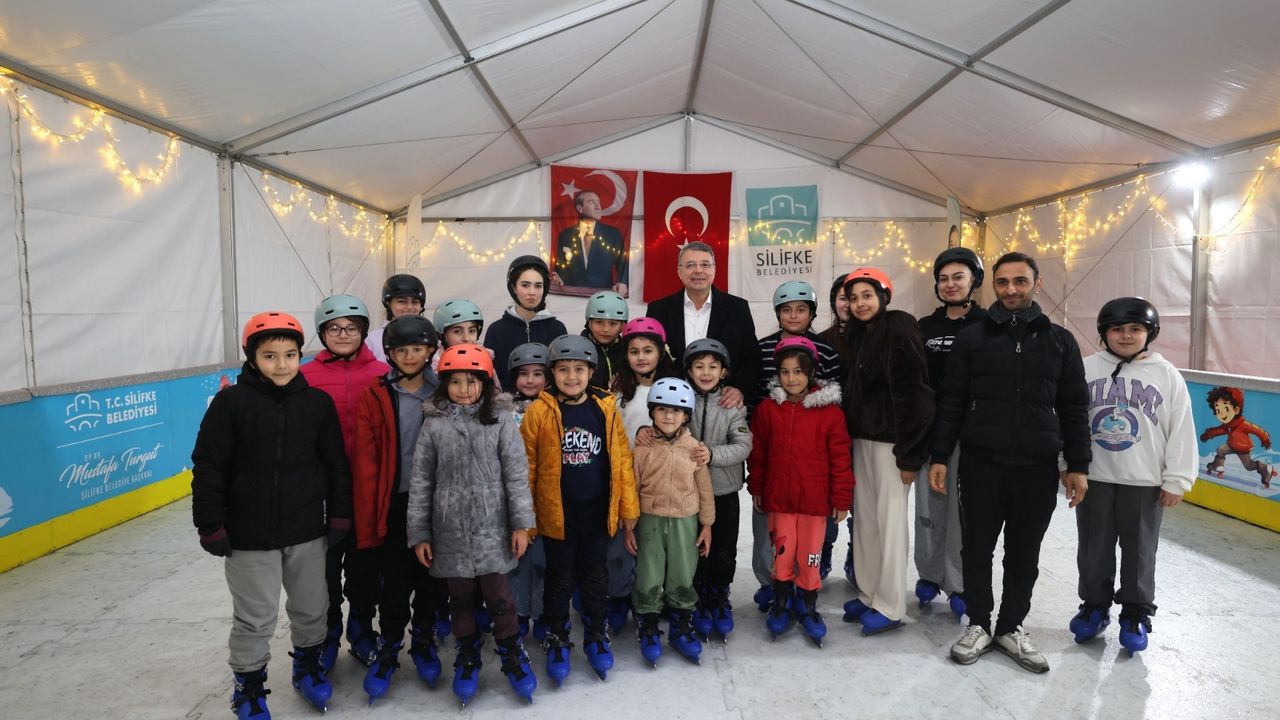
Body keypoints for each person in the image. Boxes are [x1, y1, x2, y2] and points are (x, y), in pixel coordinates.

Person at [929, 251, 1091, 674]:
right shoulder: (972, 339)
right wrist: (940, 455)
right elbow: (952, 401)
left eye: (1020, 281)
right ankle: (979, 623)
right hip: (981, 464)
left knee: (1024, 553)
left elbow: (1075, 407)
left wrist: (1077, 464)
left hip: (1037, 468)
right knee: (976, 549)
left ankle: (1010, 626)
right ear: (993, 286)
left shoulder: (1060, 341)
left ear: (1037, 284)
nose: (1011, 289)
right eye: (1002, 282)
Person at [191, 312, 352, 719]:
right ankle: (248, 686)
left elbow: (335, 464)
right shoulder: (231, 404)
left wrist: (339, 515)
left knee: (313, 607)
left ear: (300, 356)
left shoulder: (316, 404)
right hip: (248, 534)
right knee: (255, 617)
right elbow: (209, 466)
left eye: (290, 355)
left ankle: (307, 667)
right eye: (270, 356)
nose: (281, 365)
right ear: (252, 358)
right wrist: (210, 524)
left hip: (305, 529)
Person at [406, 344, 538, 706]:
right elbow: (421, 482)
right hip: (449, 529)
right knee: (460, 597)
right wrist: (420, 533)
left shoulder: (500, 420)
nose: (464, 389)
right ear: (443, 384)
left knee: (499, 596)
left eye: (472, 381)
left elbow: (516, 476)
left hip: (493, 527)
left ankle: (511, 650)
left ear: (486, 383)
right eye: (455, 382)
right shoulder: (434, 424)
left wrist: (521, 525)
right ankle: (467, 651)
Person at [1070, 297, 1196, 656]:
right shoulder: (1085, 368)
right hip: (1094, 477)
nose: (1125, 335)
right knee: (1093, 547)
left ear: (1149, 333)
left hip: (1144, 481)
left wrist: (1177, 479)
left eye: (1135, 329)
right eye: (1117, 329)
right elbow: (1069, 419)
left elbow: (1181, 429)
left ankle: (1136, 612)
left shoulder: (1166, 374)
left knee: (1140, 550)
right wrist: (1067, 465)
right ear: (1103, 332)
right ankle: (1094, 606)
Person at [520, 335, 639, 685]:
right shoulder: (539, 412)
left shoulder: (605, 408)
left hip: (597, 511)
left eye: (579, 369)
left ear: (591, 372)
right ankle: (557, 635)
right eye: (563, 369)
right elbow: (526, 469)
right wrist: (526, 520)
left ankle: (596, 632)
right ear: (552, 373)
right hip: (558, 514)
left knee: (595, 574)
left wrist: (629, 511)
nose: (571, 377)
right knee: (559, 577)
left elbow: (622, 462)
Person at [350, 315, 447, 701]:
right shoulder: (376, 395)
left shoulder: (443, 391)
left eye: (417, 349)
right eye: (401, 350)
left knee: (429, 580)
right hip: (395, 502)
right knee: (394, 582)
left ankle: (423, 640)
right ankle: (389, 644)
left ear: (430, 351)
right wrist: (370, 519)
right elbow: (366, 462)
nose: (409, 356)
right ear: (389, 353)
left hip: (436, 503)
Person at [839, 268, 934, 636]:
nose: (860, 304)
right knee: (866, 521)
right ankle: (868, 592)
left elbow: (914, 394)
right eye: (854, 298)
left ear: (883, 296)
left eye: (867, 295)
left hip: (892, 445)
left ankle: (891, 604)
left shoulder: (898, 326)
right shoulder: (858, 334)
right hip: (862, 440)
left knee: (890, 523)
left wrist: (910, 455)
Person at [299, 294, 390, 672]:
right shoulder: (305, 376)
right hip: (322, 492)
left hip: (368, 489)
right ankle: (328, 632)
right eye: (334, 328)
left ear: (363, 332)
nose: (343, 334)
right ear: (322, 333)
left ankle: (361, 628)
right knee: (324, 570)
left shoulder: (382, 373)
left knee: (365, 568)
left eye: (351, 328)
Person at [747, 337, 854, 648]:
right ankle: (781, 602)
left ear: (811, 372)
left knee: (809, 556)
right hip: (779, 501)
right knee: (781, 554)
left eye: (798, 371)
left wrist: (841, 498)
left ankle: (807, 604)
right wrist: (757, 486)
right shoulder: (768, 410)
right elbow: (759, 454)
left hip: (814, 503)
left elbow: (841, 459)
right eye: (785, 372)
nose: (791, 378)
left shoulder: (830, 413)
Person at [749, 281, 842, 611]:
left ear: (812, 313)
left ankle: (808, 579)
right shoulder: (762, 348)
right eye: (786, 310)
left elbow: (833, 398)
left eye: (801, 309)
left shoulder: (826, 350)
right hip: (773, 441)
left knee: (814, 527)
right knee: (773, 525)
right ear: (777, 313)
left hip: (811, 447)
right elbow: (754, 392)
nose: (793, 315)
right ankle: (773, 581)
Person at [914, 247, 987, 619]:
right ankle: (929, 573)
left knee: (962, 512)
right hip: (931, 430)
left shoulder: (987, 324)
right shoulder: (925, 326)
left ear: (974, 280)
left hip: (969, 432)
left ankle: (958, 582)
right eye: (943, 279)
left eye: (958, 277)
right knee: (928, 506)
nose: (950, 285)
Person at [630, 378, 715, 666]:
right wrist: (629, 525)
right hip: (650, 520)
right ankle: (648, 622)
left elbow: (704, 489)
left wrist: (706, 525)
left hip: (685, 521)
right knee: (649, 572)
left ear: (686, 416)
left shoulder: (694, 449)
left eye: (676, 411)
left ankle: (681, 623)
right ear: (652, 412)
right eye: (662, 409)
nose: (669, 416)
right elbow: (633, 486)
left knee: (682, 572)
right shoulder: (643, 448)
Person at [603, 317, 681, 632]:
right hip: (626, 477)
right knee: (623, 542)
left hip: (660, 478)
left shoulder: (673, 387)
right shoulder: (618, 389)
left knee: (654, 542)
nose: (641, 357)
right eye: (634, 351)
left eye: (648, 350)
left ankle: (652, 596)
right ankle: (619, 596)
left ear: (661, 352)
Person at [684, 338, 753, 642]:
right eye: (699, 366)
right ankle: (697, 595)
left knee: (724, 548)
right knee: (695, 548)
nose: (706, 372)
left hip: (724, 491)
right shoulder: (681, 400)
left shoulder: (732, 405)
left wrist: (711, 454)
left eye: (713, 367)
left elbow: (743, 445)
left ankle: (719, 595)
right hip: (689, 493)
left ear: (724, 372)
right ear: (689, 371)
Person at [644, 241, 760, 409]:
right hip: (670, 404)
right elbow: (651, 356)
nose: (698, 270)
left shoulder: (737, 308)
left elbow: (751, 357)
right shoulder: (659, 310)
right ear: (679, 271)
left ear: (714, 270)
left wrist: (740, 388)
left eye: (705, 265)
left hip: (721, 405)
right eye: (690, 265)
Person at [505, 343, 551, 642]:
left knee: (544, 561)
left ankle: (543, 613)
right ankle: (518, 613)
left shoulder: (554, 409)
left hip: (547, 496)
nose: (530, 380)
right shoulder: (504, 411)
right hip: (515, 496)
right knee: (517, 559)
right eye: (524, 374)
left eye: (537, 373)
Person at [484, 255, 568, 377]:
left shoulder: (557, 329)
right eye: (525, 285)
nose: (532, 292)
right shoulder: (496, 330)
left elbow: (562, 371)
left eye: (538, 286)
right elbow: (491, 377)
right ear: (514, 288)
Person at [551, 190, 629, 295]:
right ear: (580, 208)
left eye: (598, 202)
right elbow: (561, 267)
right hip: (571, 296)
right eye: (592, 201)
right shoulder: (565, 235)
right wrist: (556, 276)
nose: (598, 206)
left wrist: (623, 282)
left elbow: (623, 263)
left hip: (603, 296)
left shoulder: (612, 234)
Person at [367, 274, 426, 362]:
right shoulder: (372, 340)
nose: (409, 307)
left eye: (415, 302)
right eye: (402, 301)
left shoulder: (428, 337)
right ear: (388, 304)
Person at [581, 290, 628, 392]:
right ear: (589, 323)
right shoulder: (579, 350)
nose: (606, 329)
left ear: (623, 326)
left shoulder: (628, 351)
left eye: (613, 323)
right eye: (599, 322)